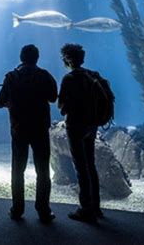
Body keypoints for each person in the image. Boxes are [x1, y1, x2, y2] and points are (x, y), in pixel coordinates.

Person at [0, 44, 57, 223]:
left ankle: (17, 209)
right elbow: (54, 97)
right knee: (43, 170)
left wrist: (11, 103)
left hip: (19, 129)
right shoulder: (44, 75)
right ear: (37, 58)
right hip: (40, 129)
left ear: (21, 57)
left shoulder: (11, 76)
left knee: (18, 170)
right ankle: (43, 209)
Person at [58, 43, 104, 222]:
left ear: (68, 59)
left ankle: (85, 209)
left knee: (81, 168)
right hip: (92, 126)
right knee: (90, 165)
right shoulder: (92, 75)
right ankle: (96, 207)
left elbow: (62, 107)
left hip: (75, 126)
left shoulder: (69, 79)